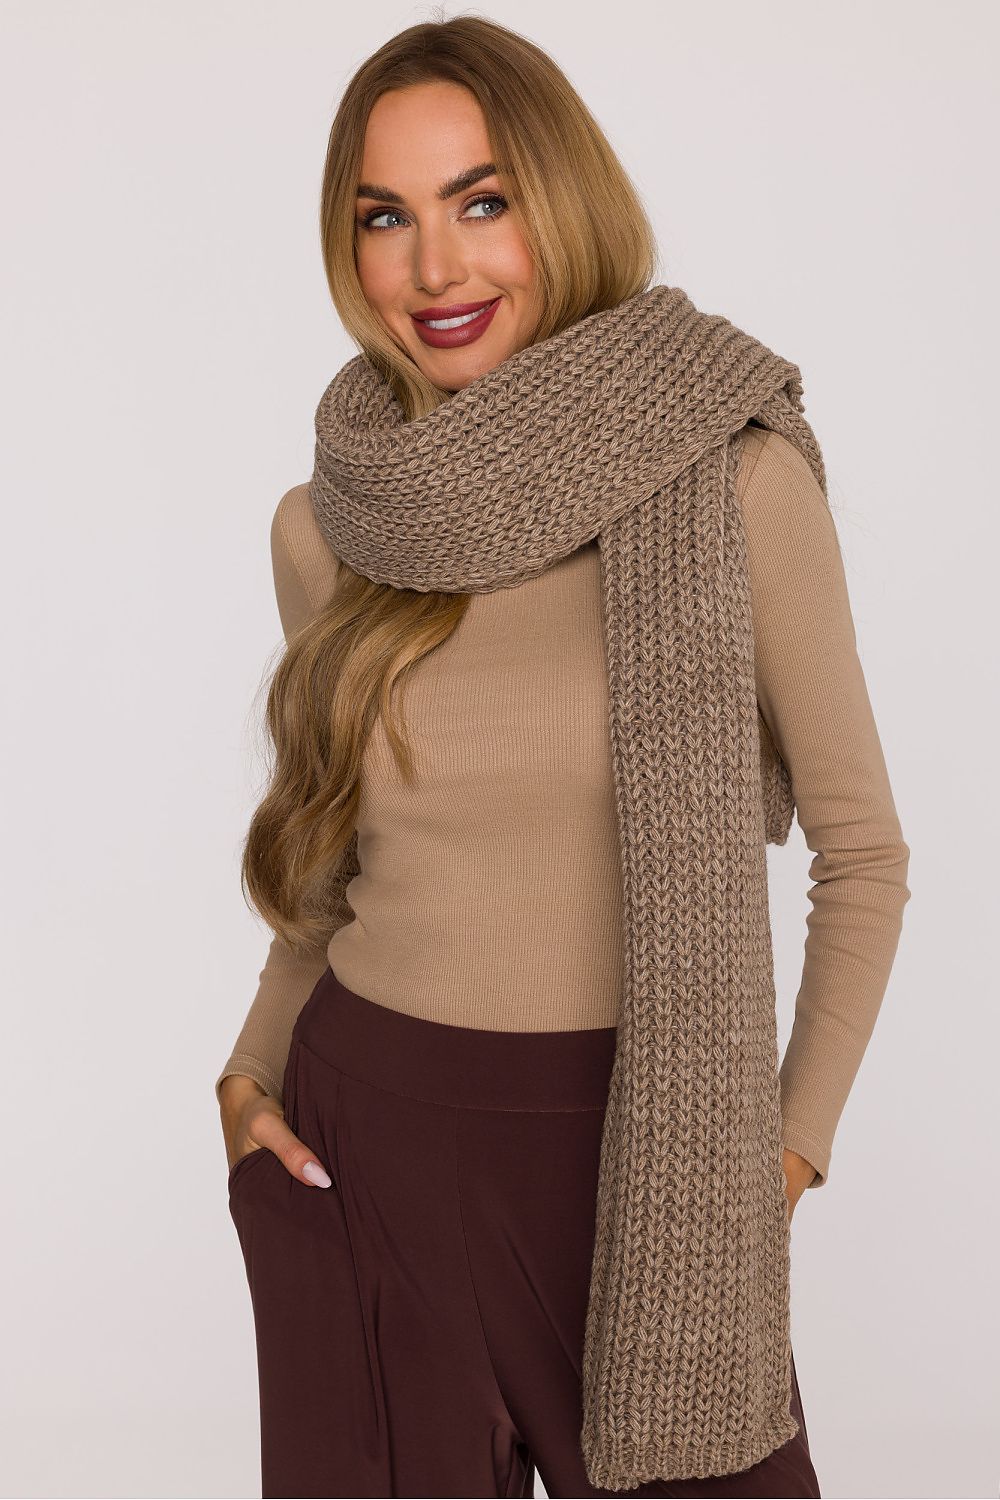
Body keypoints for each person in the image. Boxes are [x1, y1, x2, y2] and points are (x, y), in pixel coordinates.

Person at [215, 16, 910, 1500]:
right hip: (362, 1147)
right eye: (385, 218)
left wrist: (779, 1163)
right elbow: (327, 872)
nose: (435, 267)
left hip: (645, 1166)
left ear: (562, 199)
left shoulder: (730, 473)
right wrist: (247, 1078)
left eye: (481, 201)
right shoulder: (327, 527)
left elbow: (864, 855)